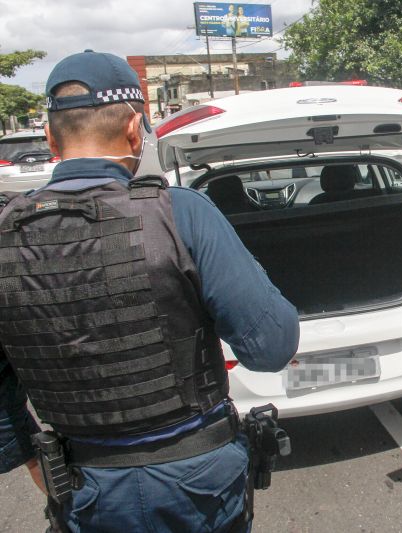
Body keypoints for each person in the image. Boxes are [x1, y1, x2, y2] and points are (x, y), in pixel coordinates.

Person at [0, 50, 300, 533]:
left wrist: (37, 463)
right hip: (196, 485)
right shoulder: (181, 214)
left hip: (81, 488)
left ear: (50, 136)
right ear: (136, 130)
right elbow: (271, 347)